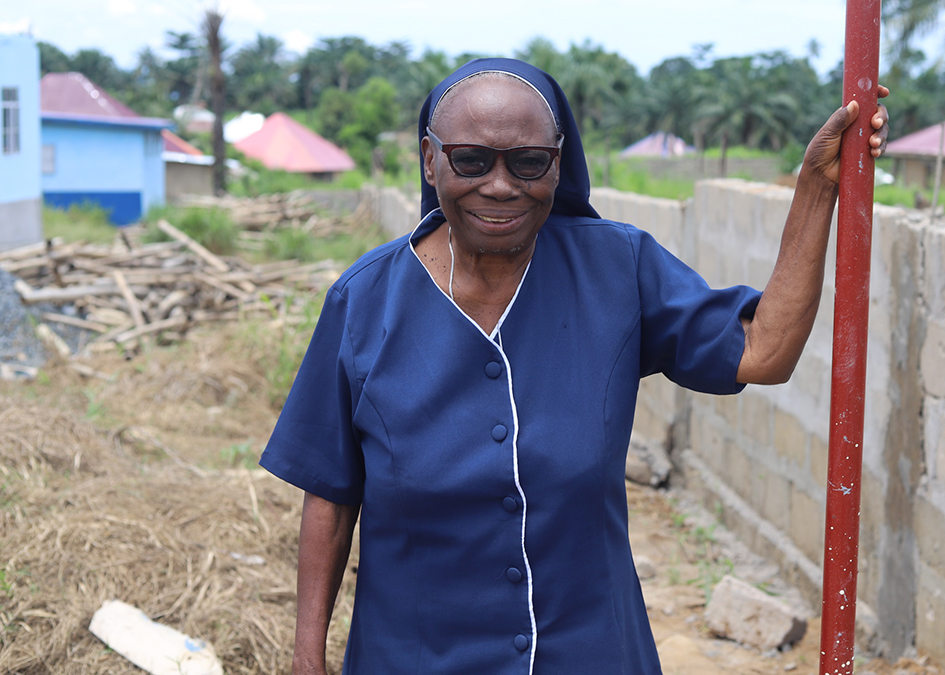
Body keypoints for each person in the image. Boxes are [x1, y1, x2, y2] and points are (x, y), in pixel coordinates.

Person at [260, 58, 889, 675]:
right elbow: (332, 495)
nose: (500, 185)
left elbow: (763, 351)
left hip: (588, 648)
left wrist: (816, 186)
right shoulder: (366, 300)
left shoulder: (616, 269)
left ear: (558, 162)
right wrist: (306, 657)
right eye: (471, 160)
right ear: (430, 159)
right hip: (417, 652)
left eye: (529, 162)